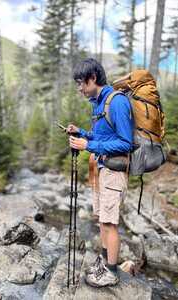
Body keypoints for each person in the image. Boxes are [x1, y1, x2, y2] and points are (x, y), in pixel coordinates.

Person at [67, 58, 134, 287]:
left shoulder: (117, 102)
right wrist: (83, 133)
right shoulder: (98, 103)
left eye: (80, 83)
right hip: (102, 169)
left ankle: (112, 272)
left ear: (92, 78)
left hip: (114, 171)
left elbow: (126, 143)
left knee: (110, 222)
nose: (79, 89)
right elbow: (103, 137)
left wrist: (89, 146)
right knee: (103, 220)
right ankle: (104, 264)